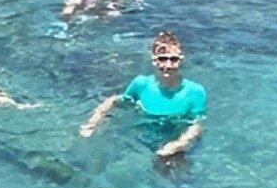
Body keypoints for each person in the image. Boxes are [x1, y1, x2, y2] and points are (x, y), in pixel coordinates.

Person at [82, 29, 207, 160]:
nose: (168, 65)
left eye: (173, 59)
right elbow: (115, 101)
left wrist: (178, 144)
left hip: (178, 144)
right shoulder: (141, 84)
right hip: (144, 140)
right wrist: (93, 122)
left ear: (181, 60)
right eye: (163, 59)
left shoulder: (196, 91)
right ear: (154, 60)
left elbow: (198, 125)